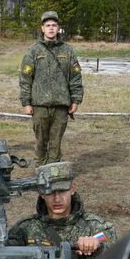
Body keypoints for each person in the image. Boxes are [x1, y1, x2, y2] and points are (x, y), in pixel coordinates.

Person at [8, 161, 116, 259]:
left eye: (63, 191)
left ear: (73, 188)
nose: (57, 199)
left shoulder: (97, 227)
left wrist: (96, 248)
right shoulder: (24, 229)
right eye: (50, 192)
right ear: (41, 193)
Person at [19, 11, 83, 165]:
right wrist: (26, 103)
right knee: (41, 143)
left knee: (56, 144)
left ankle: (54, 176)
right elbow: (25, 79)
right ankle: (41, 175)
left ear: (58, 28)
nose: (51, 28)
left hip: (61, 106)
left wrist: (76, 100)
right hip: (40, 106)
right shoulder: (33, 51)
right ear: (42, 28)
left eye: (54, 25)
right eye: (48, 25)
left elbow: (75, 77)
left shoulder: (67, 51)